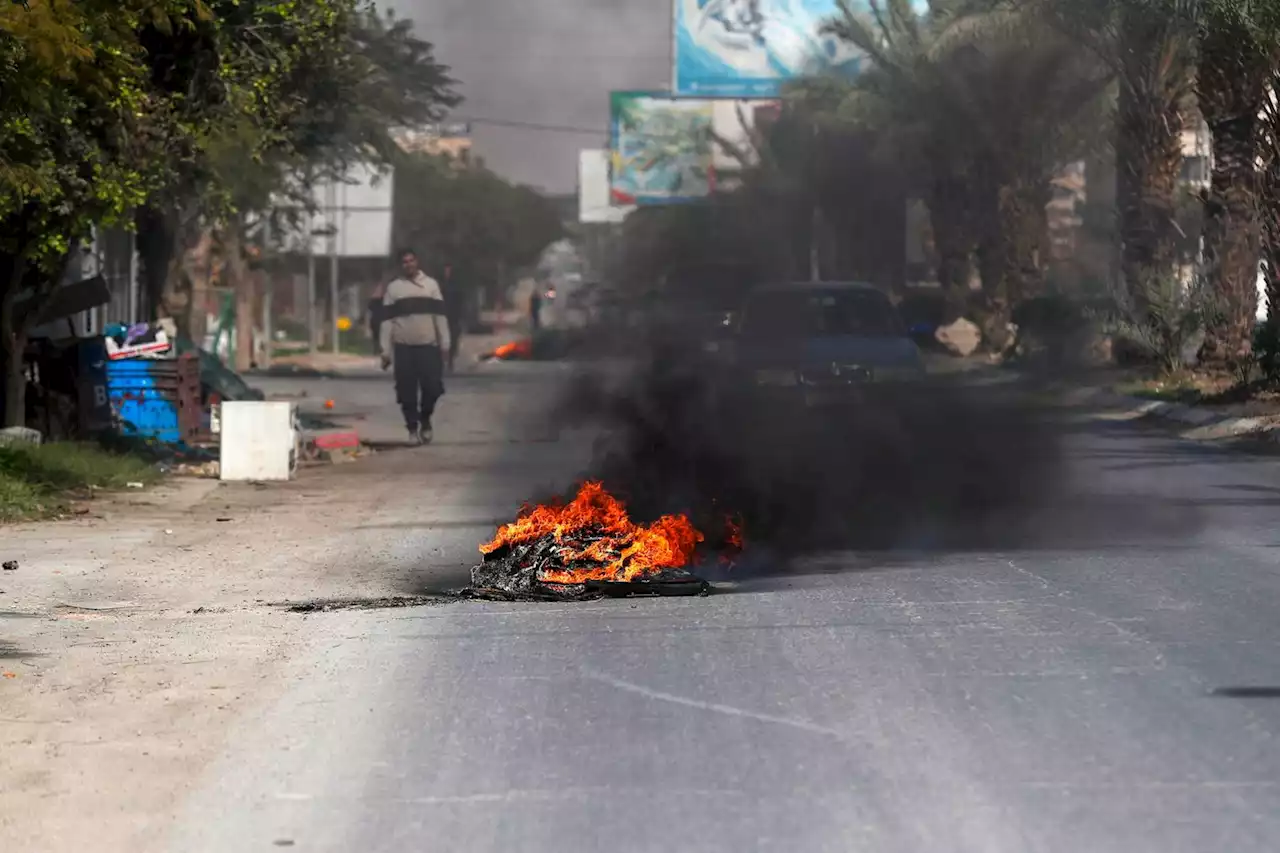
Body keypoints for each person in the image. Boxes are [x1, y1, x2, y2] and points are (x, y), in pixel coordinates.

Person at [379, 248, 451, 445]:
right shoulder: (394, 289)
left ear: (417, 262)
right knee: (406, 391)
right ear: (400, 265)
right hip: (404, 348)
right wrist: (385, 350)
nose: (408, 264)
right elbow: (387, 322)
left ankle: (425, 419)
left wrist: (445, 343)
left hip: (428, 346)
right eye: (404, 262)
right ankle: (412, 428)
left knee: (433, 388)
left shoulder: (430, 286)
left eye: (411, 260)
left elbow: (440, 317)